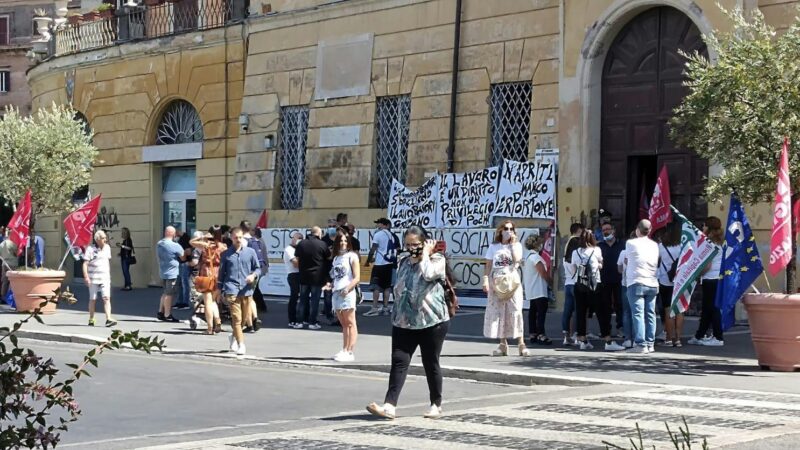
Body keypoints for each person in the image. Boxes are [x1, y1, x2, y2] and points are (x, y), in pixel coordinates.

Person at [366, 225, 449, 420]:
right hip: (404, 321)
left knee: (431, 362)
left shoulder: (437, 260)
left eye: (416, 244)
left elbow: (428, 274)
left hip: (431, 321)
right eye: (408, 244)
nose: (412, 248)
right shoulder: (403, 261)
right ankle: (389, 405)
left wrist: (426, 254)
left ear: (425, 242)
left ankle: (436, 404)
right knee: (399, 362)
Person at [570, 230, 625, 351]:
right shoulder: (597, 250)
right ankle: (608, 340)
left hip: (579, 286)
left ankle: (583, 340)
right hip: (594, 285)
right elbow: (601, 265)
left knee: (581, 313)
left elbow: (573, 271)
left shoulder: (575, 252)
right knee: (601, 313)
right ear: (592, 239)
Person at [482, 220, 530, 357]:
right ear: (501, 231)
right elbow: (488, 265)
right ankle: (503, 344)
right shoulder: (494, 247)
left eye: (511, 229)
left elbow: (517, 260)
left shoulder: (517, 245)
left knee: (515, 310)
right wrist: (485, 279)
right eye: (506, 229)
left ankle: (521, 344)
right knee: (499, 312)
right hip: (496, 280)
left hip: (511, 281)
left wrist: (513, 244)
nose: (509, 231)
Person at [218, 227, 261, 356]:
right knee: (236, 318)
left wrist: (253, 276)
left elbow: (258, 269)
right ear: (231, 238)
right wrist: (219, 290)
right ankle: (241, 344)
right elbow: (221, 274)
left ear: (243, 237)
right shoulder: (226, 254)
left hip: (246, 290)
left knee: (244, 319)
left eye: (240, 237)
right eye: (236, 238)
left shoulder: (251, 252)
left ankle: (233, 335)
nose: (238, 240)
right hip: (231, 288)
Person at [624, 220, 660, 354]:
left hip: (636, 280)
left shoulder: (630, 243)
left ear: (638, 230)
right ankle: (650, 343)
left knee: (638, 314)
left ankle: (640, 344)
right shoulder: (655, 245)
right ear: (649, 231)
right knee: (650, 314)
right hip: (652, 281)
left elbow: (626, 260)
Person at [324, 230, 361, 362]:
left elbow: (357, 278)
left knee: (351, 323)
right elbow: (335, 277)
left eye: (345, 241)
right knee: (344, 324)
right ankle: (344, 349)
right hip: (337, 292)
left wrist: (348, 288)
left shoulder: (352, 256)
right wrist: (330, 285)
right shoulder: (336, 258)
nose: (343, 243)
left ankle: (350, 351)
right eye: (341, 241)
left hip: (347, 293)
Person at [689, 217, 725, 347]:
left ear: (709, 227)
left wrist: (696, 274)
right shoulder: (720, 242)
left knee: (712, 308)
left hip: (710, 278)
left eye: (704, 225)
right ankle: (700, 335)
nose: (702, 228)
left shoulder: (709, 244)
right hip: (717, 278)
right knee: (708, 309)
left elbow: (707, 265)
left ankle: (718, 337)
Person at [190, 226, 227, 334]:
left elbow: (191, 242)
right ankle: (218, 320)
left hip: (207, 273)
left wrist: (202, 237)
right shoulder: (223, 246)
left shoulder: (206, 245)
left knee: (207, 302)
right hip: (218, 273)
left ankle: (210, 328)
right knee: (214, 301)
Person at [295, 226, 330, 330]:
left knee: (302, 300)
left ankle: (299, 322)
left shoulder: (302, 243)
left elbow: (297, 258)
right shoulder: (322, 244)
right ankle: (312, 322)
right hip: (317, 277)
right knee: (315, 301)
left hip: (304, 276)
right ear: (319, 234)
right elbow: (328, 257)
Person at [657, 221, 683, 347]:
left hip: (665, 281)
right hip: (680, 281)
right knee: (679, 310)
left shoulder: (661, 246)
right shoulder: (682, 246)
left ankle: (668, 338)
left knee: (668, 310)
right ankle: (678, 339)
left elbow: (656, 261)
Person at [83, 230, 117, 327]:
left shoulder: (107, 248)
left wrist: (108, 274)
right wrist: (86, 277)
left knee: (106, 298)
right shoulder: (90, 249)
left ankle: (108, 318)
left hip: (105, 277)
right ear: (97, 239)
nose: (105, 240)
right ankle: (91, 318)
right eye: (103, 238)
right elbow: (85, 264)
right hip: (93, 278)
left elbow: (107, 261)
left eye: (105, 238)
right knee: (93, 299)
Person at [365, 218, 397, 316]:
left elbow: (373, 248)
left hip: (379, 264)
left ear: (385, 225)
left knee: (376, 286)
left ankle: (374, 307)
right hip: (389, 263)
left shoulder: (378, 234)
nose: (377, 226)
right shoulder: (391, 235)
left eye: (379, 224)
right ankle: (386, 307)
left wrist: (368, 260)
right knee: (387, 287)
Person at [156, 226, 188, 323]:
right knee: (169, 294)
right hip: (172, 272)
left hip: (163, 270)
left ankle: (160, 312)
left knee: (165, 292)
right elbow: (183, 257)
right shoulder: (175, 245)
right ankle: (167, 314)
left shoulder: (159, 243)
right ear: (173, 234)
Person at [523, 234, 551, 345]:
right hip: (539, 289)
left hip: (531, 290)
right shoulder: (536, 258)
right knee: (541, 313)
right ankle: (541, 334)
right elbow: (543, 273)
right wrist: (550, 281)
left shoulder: (528, 257)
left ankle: (532, 333)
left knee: (532, 312)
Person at [599, 221, 625, 337]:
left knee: (620, 305)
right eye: (604, 230)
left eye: (608, 229)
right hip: (604, 280)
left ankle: (620, 328)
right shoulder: (599, 246)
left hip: (619, 279)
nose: (606, 232)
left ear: (613, 230)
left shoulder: (622, 245)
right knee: (605, 306)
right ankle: (606, 330)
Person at [561, 223, 584, 346]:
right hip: (575, 284)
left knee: (567, 311)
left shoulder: (565, 257)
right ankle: (576, 334)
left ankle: (566, 335)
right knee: (577, 311)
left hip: (567, 284)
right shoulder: (576, 255)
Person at [240, 220, 263, 331]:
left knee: (246, 299)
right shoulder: (255, 240)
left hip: (247, 273)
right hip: (256, 272)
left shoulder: (243, 241)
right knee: (250, 297)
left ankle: (249, 325)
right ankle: (255, 318)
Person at [617, 230, 637, 348]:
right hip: (637, 283)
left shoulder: (623, 253)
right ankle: (636, 338)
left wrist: (625, 267)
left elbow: (619, 269)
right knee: (637, 312)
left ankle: (628, 338)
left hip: (625, 284)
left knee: (626, 312)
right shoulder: (641, 252)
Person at [284, 231, 303, 329]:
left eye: (300, 239)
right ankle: (292, 320)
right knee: (294, 297)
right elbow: (295, 263)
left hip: (300, 274)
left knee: (303, 297)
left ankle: (302, 318)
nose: (297, 240)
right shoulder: (289, 249)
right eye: (296, 238)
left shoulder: (299, 249)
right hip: (293, 275)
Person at [321, 218, 339, 324]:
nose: (331, 228)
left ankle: (338, 315)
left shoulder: (340, 239)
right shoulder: (324, 240)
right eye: (330, 226)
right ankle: (329, 315)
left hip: (338, 272)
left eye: (334, 226)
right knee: (328, 294)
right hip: (327, 271)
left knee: (338, 294)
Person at [174, 230, 193, 310]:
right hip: (181, 263)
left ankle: (185, 302)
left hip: (184, 263)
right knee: (180, 283)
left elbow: (187, 252)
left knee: (184, 283)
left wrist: (183, 256)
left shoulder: (185, 238)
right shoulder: (181, 239)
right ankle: (179, 302)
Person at [0, 230, 18, 301]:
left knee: (5, 281)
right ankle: (10, 298)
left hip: (4, 264)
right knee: (12, 281)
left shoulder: (1, 244)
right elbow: (16, 252)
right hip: (12, 264)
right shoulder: (12, 243)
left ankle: (3, 297)